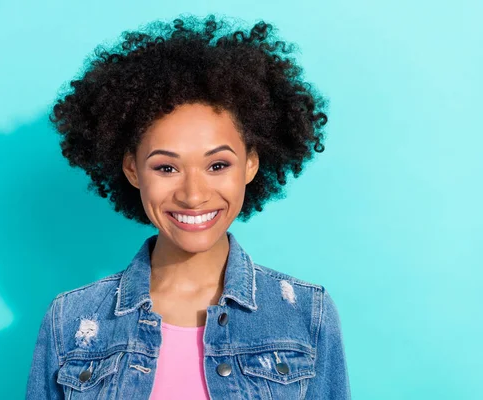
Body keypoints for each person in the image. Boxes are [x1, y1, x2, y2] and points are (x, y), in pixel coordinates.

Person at [26, 14, 350, 399]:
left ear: (251, 163)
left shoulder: (306, 315)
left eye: (217, 165)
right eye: (166, 167)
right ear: (132, 168)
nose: (193, 195)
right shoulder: (70, 322)